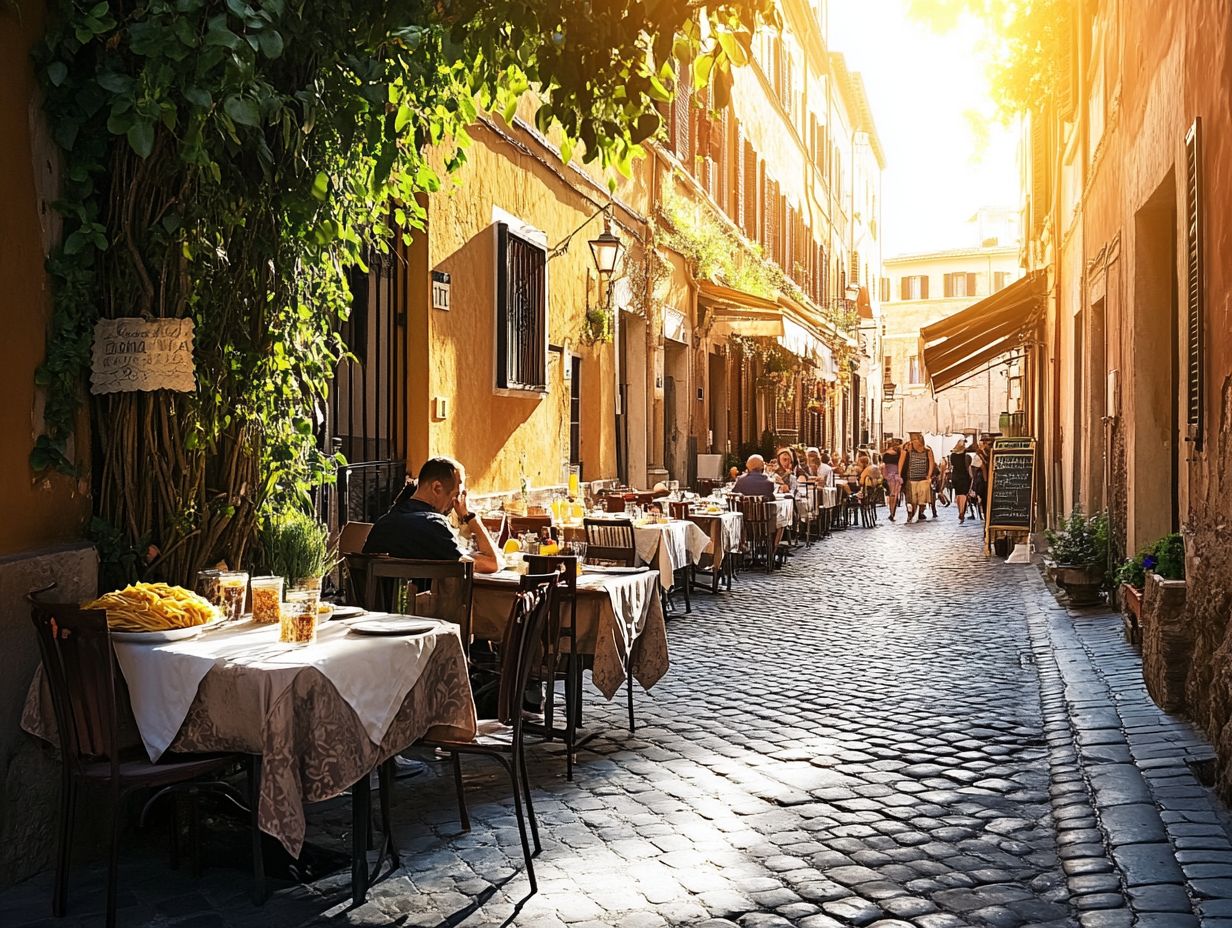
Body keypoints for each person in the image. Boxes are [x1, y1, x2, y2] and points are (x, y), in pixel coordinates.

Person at [364, 456, 502, 574]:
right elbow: (492, 563)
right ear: (437, 488)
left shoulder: (383, 522)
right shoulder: (434, 525)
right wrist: (469, 516)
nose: (455, 504)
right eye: (455, 495)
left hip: (373, 605)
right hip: (418, 605)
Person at [902, 432, 935, 523]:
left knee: (922, 499)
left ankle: (920, 512)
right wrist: (899, 474)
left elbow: (932, 463)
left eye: (915, 440)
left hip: (923, 478)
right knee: (912, 499)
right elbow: (902, 461)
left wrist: (929, 475)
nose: (914, 442)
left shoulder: (927, 450)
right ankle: (911, 514)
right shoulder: (908, 449)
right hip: (911, 478)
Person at [949, 439, 974, 523]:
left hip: (955, 476)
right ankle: (962, 511)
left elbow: (952, 465)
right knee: (963, 494)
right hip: (964, 476)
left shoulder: (952, 455)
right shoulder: (966, 456)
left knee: (958, 494)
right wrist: (971, 476)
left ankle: (960, 511)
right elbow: (968, 467)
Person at [882, 438, 903, 521]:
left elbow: (884, 466)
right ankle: (893, 512)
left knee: (891, 494)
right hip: (897, 475)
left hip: (889, 475)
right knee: (895, 494)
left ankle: (891, 511)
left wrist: (885, 476)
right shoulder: (899, 454)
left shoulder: (885, 454)